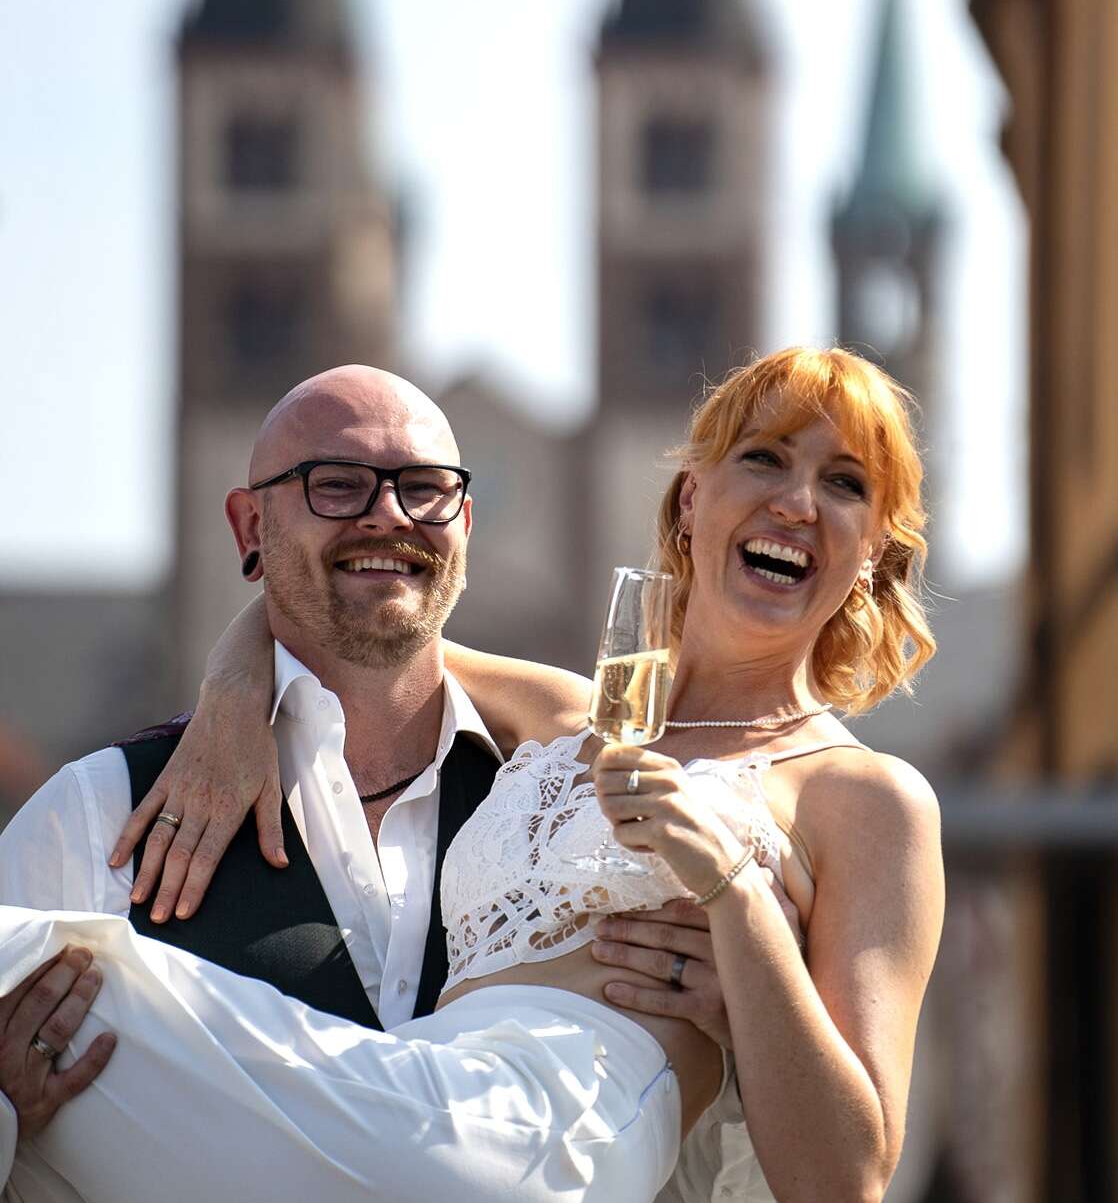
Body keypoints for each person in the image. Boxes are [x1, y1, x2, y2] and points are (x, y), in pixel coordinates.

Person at [0, 347, 945, 1202]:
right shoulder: (582, 717)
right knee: (52, 1113)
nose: (798, 503)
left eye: (846, 484)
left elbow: (849, 1180)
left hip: (550, 1134)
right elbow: (364, 607)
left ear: (872, 550)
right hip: (424, 1092)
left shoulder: (866, 797)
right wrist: (232, 696)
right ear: (692, 499)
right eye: (766, 459)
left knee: (62, 972)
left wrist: (738, 902)